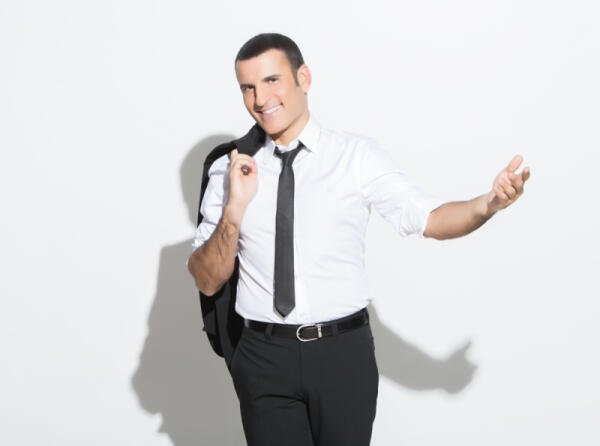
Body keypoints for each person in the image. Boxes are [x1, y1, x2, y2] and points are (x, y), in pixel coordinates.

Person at [187, 33, 530, 446]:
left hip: (341, 354)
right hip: (263, 356)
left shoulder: (356, 157)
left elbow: (431, 218)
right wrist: (234, 209)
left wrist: (488, 204)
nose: (260, 99)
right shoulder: (229, 168)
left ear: (303, 78)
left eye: (272, 80)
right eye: (248, 87)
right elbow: (207, 280)